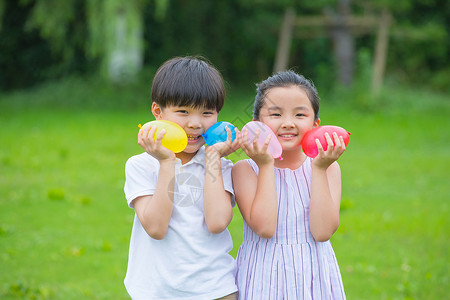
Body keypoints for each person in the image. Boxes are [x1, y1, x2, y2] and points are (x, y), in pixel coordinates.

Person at [124, 56, 239, 300]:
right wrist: (167, 162)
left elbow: (217, 222)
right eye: (183, 111)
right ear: (158, 111)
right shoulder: (141, 166)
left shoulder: (221, 164)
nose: (195, 123)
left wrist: (213, 159)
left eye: (207, 113)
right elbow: (156, 227)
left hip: (216, 289)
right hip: (157, 291)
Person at [232, 70, 346, 299]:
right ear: (257, 123)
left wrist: (320, 169)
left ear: (316, 124)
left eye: (300, 115)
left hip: (314, 277)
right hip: (263, 277)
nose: (287, 123)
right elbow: (265, 228)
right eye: (275, 114)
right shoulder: (245, 170)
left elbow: (322, 232)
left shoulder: (327, 167)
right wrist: (266, 165)